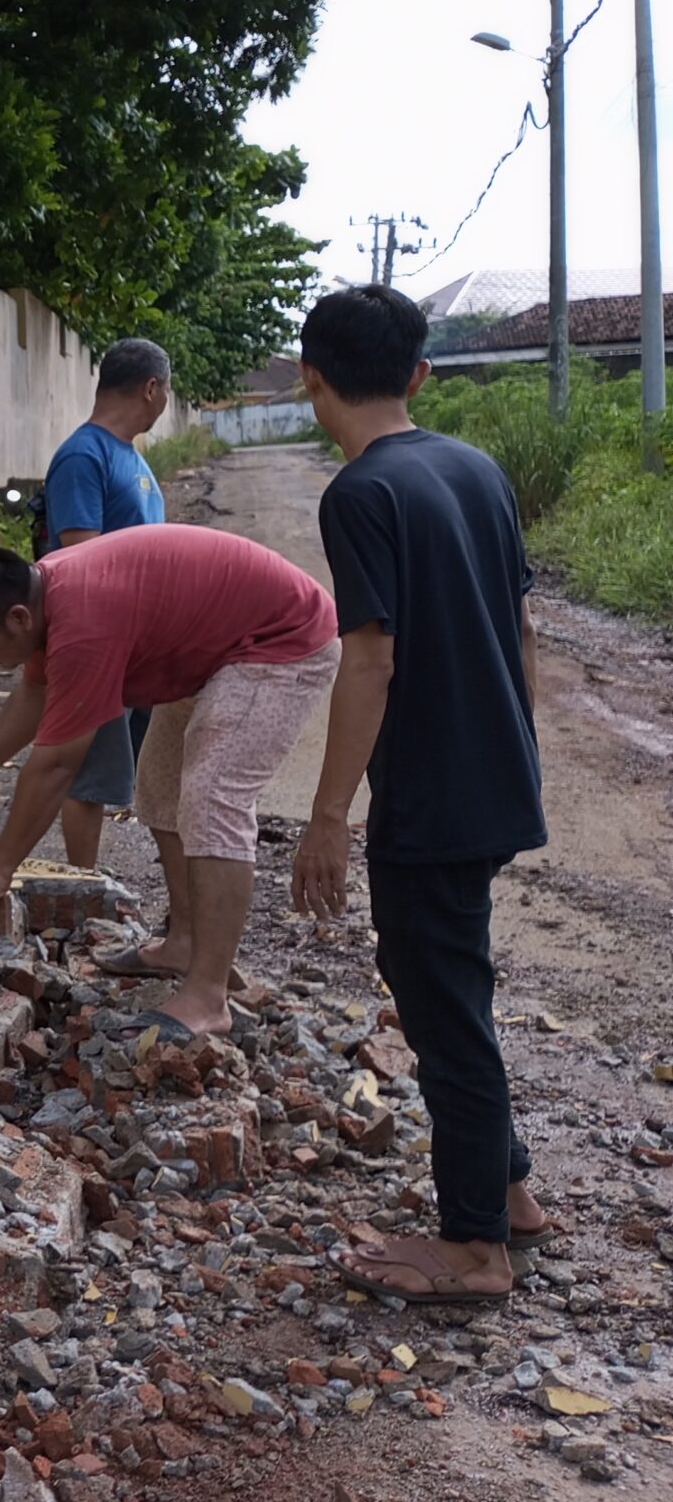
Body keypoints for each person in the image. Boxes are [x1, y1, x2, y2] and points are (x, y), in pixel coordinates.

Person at [290, 283, 554, 1306]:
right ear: (417, 373)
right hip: (492, 775)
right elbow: (523, 631)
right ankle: (512, 1191)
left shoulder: (359, 493)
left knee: (443, 1012)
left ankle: (475, 1247)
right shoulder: (476, 467)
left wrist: (325, 819)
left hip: (429, 796)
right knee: (456, 989)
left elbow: (370, 658)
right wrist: (513, 747)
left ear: (313, 378)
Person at [0, 526, 339, 1040]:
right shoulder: (46, 602)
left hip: (279, 640)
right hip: (211, 649)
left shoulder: (82, 620)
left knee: (213, 801)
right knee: (160, 789)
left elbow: (55, 767)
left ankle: (208, 997)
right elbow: (36, 691)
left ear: (17, 618)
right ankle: (184, 942)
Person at [41, 338, 172, 867]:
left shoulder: (128, 455)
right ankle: (80, 884)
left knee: (127, 767)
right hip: (103, 640)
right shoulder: (83, 455)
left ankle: (88, 882)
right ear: (151, 387)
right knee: (90, 774)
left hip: (141, 642)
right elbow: (81, 557)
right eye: (167, 390)